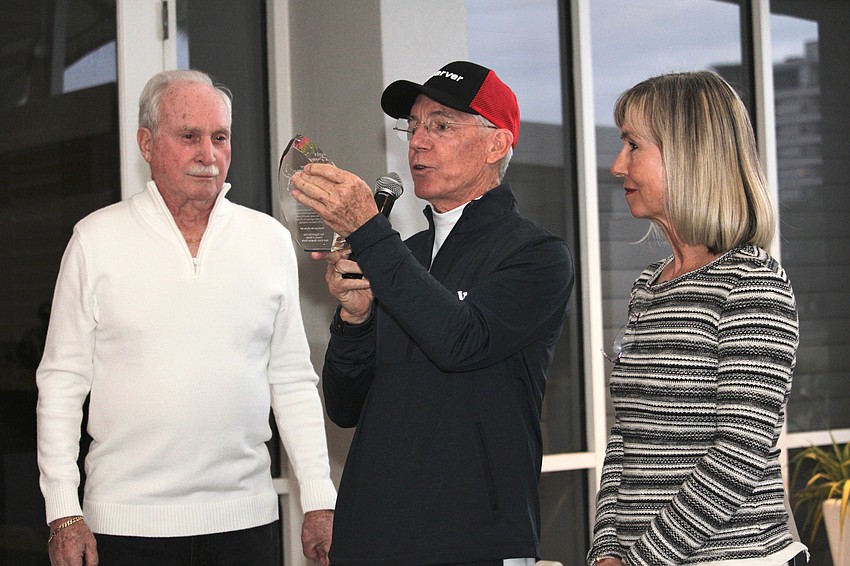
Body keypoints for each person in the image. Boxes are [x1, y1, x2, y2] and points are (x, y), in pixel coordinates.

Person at [36, 69, 336, 566]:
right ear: (146, 143)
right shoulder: (95, 240)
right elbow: (62, 383)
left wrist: (319, 498)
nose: (208, 154)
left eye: (220, 137)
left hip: (247, 524)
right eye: (189, 136)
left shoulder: (268, 241)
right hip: (125, 527)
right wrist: (64, 512)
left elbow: (292, 380)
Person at [289, 60, 574, 565]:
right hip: (372, 538)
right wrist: (355, 320)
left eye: (441, 126)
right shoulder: (406, 254)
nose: (418, 141)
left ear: (496, 144)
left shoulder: (536, 255)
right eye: (413, 126)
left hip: (473, 542)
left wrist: (368, 232)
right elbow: (345, 406)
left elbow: (460, 341)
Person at [588, 71, 807, 566]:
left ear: (689, 155)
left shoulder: (752, 282)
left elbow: (739, 453)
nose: (617, 165)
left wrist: (641, 560)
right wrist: (604, 550)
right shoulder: (649, 285)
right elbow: (627, 437)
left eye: (632, 145)